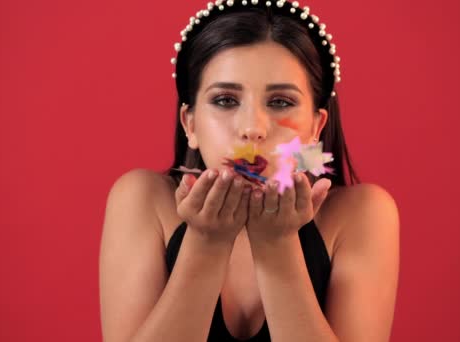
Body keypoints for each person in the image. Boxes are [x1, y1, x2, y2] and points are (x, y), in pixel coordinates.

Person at [99, 1, 400, 341]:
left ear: (316, 126)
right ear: (191, 123)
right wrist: (205, 242)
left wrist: (278, 246)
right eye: (226, 100)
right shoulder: (142, 199)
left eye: (280, 102)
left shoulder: (361, 213)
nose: (252, 129)